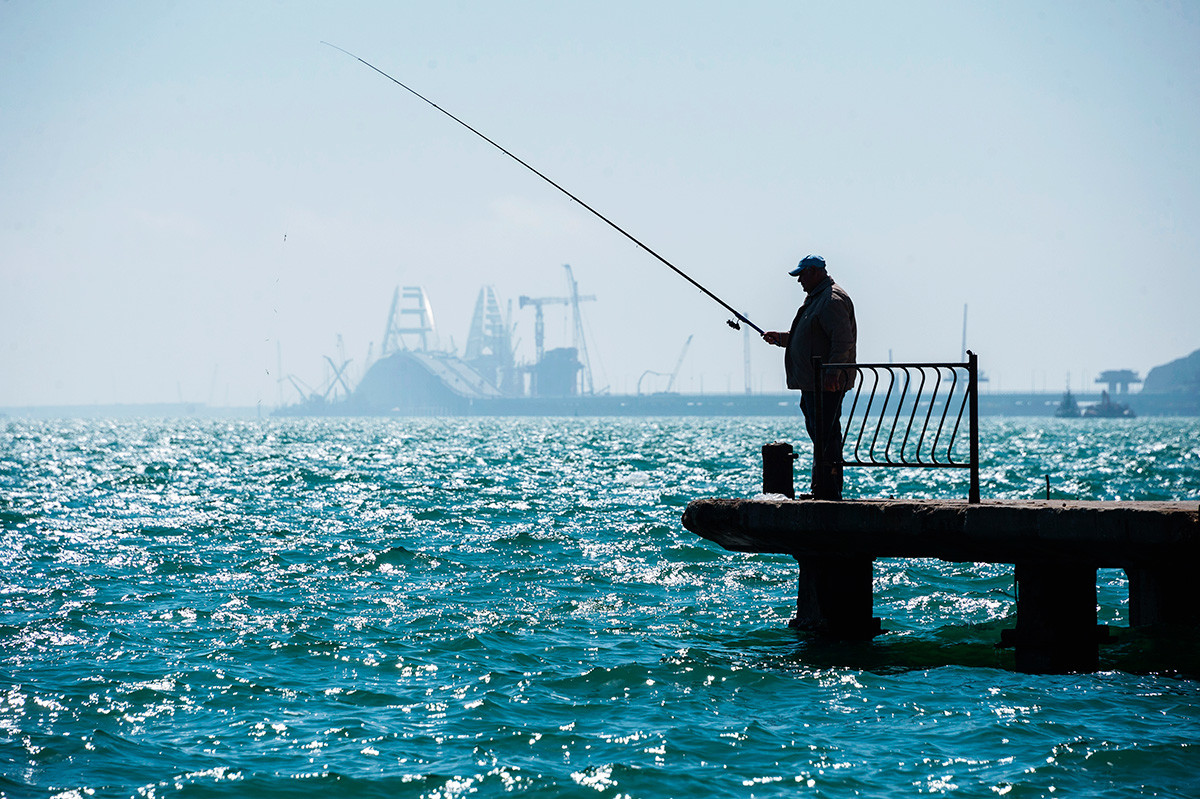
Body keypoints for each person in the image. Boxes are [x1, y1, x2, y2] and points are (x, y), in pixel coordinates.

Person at [762, 255, 857, 499]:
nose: (799, 281)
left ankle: (828, 488)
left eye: (802, 275)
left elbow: (842, 340)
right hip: (814, 383)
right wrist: (782, 339)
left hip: (826, 383)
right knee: (821, 433)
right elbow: (811, 338)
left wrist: (833, 372)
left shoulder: (831, 300)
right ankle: (823, 487)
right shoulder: (817, 299)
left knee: (826, 434)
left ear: (815, 272)